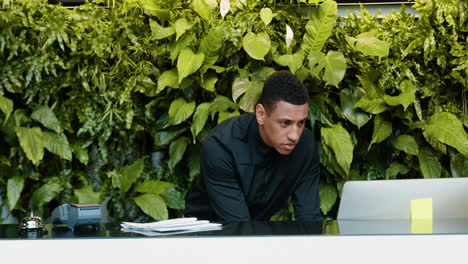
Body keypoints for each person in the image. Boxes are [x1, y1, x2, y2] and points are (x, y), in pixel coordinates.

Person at [184, 70, 321, 221]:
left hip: (254, 232)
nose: (294, 135)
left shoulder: (306, 146)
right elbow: (239, 228)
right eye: (285, 123)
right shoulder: (221, 146)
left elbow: (310, 219)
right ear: (261, 114)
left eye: (301, 123)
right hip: (203, 235)